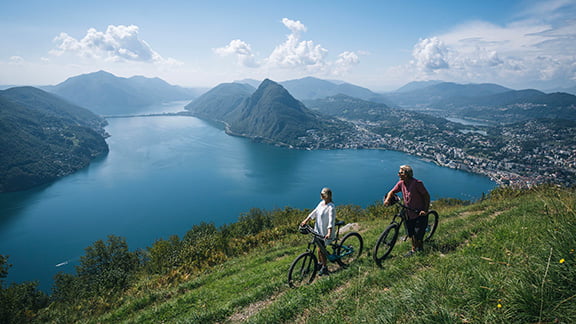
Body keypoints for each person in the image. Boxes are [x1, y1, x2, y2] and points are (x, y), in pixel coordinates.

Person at [383, 165, 430, 256]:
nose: (398, 174)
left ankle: (419, 249)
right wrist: (387, 199)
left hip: (419, 212)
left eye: (400, 172)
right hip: (408, 212)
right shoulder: (401, 183)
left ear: (406, 174)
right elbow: (392, 192)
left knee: (418, 234)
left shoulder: (417, 183)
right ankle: (414, 249)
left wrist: (425, 210)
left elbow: (426, 196)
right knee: (411, 232)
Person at [300, 187, 336, 275]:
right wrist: (306, 220)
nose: (321, 195)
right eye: (321, 194)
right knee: (318, 248)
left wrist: (329, 232)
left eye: (323, 194)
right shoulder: (321, 203)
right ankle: (320, 264)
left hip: (325, 233)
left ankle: (324, 267)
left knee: (321, 250)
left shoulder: (331, 207)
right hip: (318, 231)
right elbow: (314, 212)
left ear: (328, 196)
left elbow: (331, 220)